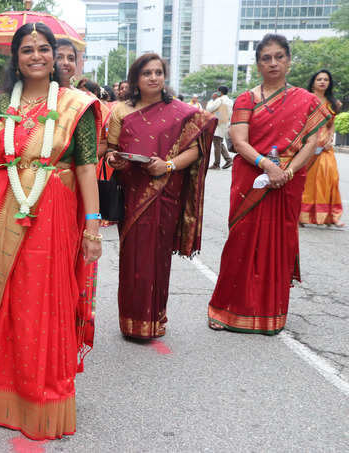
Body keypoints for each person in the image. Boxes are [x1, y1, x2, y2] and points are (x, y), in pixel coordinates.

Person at [0, 22, 102, 440]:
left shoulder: (75, 105)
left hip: (56, 216)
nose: (37, 56)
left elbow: (84, 167)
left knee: (49, 301)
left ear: (57, 56)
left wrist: (93, 228)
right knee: (12, 302)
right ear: (16, 58)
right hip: (7, 211)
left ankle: (48, 396)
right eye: (27, 50)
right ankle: (9, 396)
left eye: (44, 49)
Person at [208, 34, 332, 334]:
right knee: (241, 242)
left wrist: (286, 172)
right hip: (253, 177)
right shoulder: (246, 99)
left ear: (288, 61)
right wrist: (267, 166)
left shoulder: (307, 101)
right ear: (258, 63)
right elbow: (238, 140)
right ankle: (225, 311)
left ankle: (269, 314)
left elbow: (312, 142)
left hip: (288, 180)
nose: (273, 63)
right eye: (266, 58)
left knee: (278, 245)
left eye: (279, 56)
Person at [106, 53, 216, 339]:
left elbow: (196, 150)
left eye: (158, 72)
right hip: (132, 192)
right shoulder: (120, 111)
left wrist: (167, 165)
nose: (154, 77)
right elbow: (110, 148)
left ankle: (155, 317)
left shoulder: (182, 112)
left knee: (157, 257)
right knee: (132, 257)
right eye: (147, 73)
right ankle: (131, 320)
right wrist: (114, 160)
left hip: (164, 192)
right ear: (136, 79)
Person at [300, 69, 344, 227]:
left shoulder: (334, 103)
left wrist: (329, 140)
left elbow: (331, 124)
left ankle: (330, 216)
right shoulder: (305, 99)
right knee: (307, 180)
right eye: (319, 79)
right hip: (307, 146)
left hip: (325, 148)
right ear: (313, 82)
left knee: (330, 178)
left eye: (326, 79)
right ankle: (302, 215)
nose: (323, 82)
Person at [206, 86, 234, 169]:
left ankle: (217, 164)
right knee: (219, 142)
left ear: (220, 92)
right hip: (225, 123)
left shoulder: (219, 100)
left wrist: (212, 100)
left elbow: (209, 109)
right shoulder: (230, 101)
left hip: (218, 124)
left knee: (217, 143)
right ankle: (228, 160)